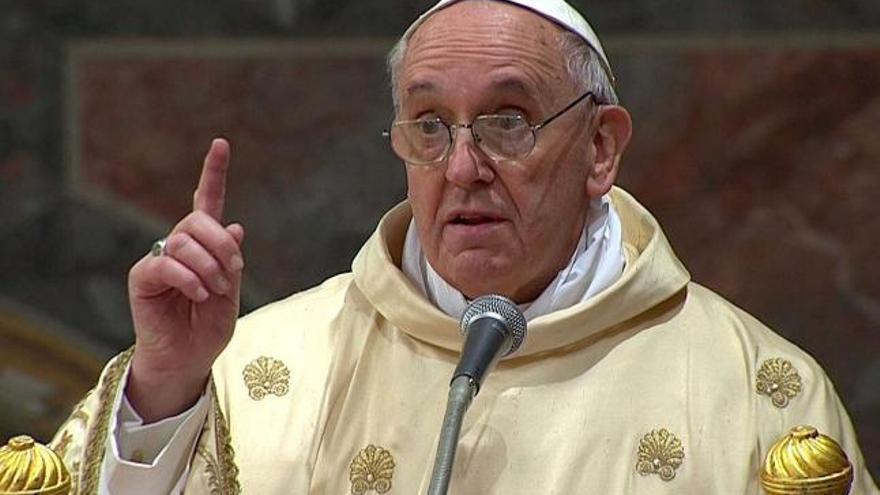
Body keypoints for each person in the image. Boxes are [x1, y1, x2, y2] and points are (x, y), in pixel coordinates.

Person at [50, 0, 878, 493]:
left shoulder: (759, 391)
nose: (464, 166)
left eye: (508, 121)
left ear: (600, 148)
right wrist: (163, 385)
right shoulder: (252, 371)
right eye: (430, 126)